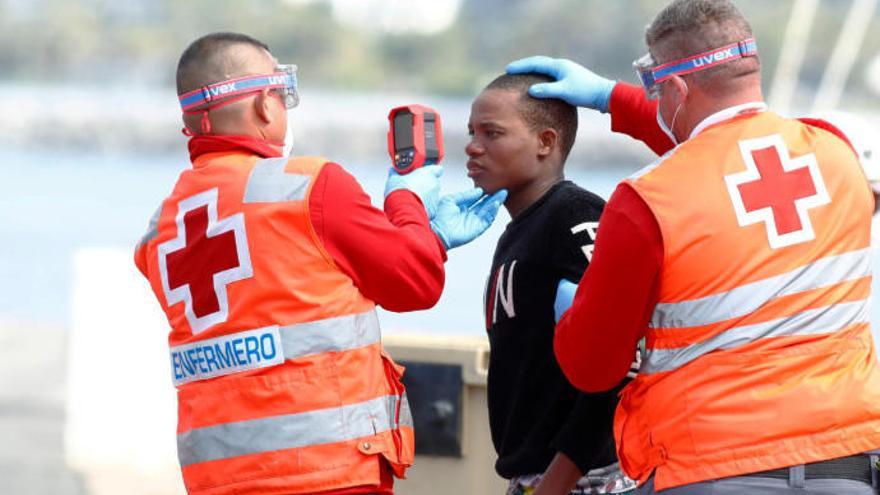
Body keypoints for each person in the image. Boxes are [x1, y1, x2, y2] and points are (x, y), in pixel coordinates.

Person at [506, 0, 880, 493]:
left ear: (676, 90)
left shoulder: (645, 202)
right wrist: (613, 98)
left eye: (658, 89)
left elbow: (592, 370)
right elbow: (726, 157)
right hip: (846, 465)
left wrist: (574, 319)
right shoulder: (837, 157)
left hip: (710, 468)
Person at [133, 32, 505, 495]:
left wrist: (428, 236)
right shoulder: (310, 187)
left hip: (218, 479)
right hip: (329, 474)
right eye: (281, 96)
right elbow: (415, 282)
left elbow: (276, 296)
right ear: (266, 106)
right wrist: (409, 201)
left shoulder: (159, 233)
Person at [447, 72, 636, 495]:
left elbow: (618, 363)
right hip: (536, 478)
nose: (472, 146)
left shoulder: (573, 216)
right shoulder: (520, 230)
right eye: (472, 132)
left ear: (545, 142)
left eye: (492, 133)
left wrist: (558, 480)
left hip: (585, 480)